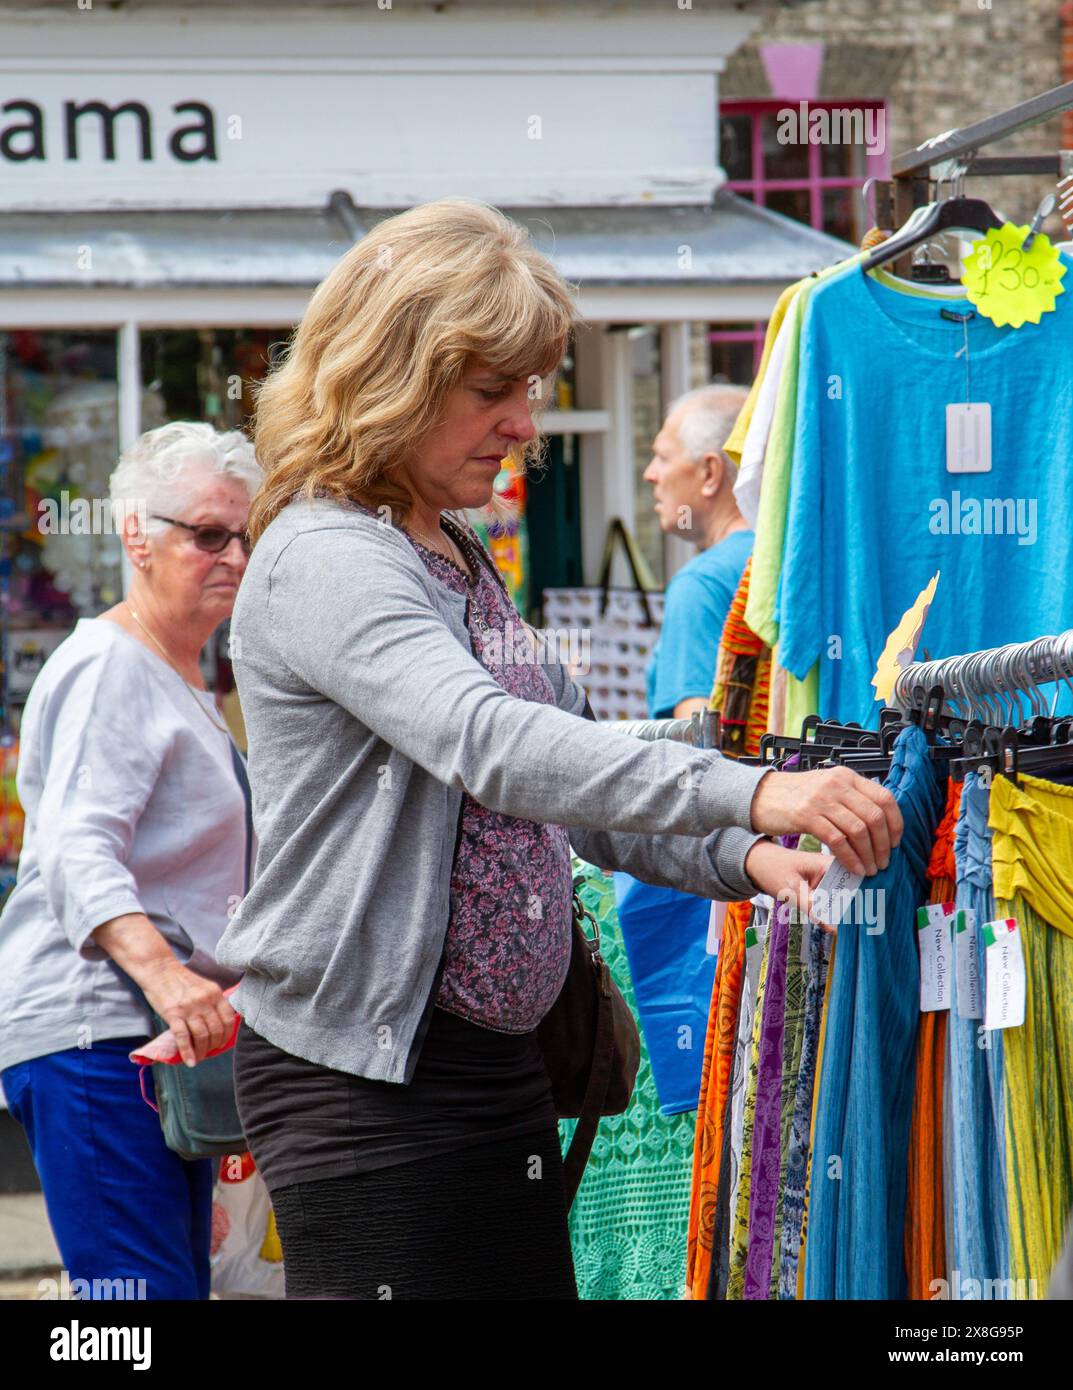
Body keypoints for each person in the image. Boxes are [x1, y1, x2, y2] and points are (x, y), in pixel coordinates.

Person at [216, 197, 903, 1301]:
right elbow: (491, 744)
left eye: (528, 389)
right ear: (387, 376)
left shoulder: (441, 544)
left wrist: (741, 855)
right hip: (371, 1082)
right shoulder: (328, 555)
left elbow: (570, 773)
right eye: (492, 390)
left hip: (484, 1071)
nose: (524, 424)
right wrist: (761, 789)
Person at [0, 421, 261, 1300]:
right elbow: (78, 847)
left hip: (152, 1043)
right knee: (138, 1306)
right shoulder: (110, 664)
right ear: (136, 536)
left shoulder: (181, 672)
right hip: (98, 1033)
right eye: (208, 533)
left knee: (155, 1294)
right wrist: (170, 980)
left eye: (245, 535)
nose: (232, 554)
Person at [643, 383, 753, 720]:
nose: (650, 474)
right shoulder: (796, 558)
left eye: (663, 457)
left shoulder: (701, 583)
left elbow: (698, 745)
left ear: (710, 472)